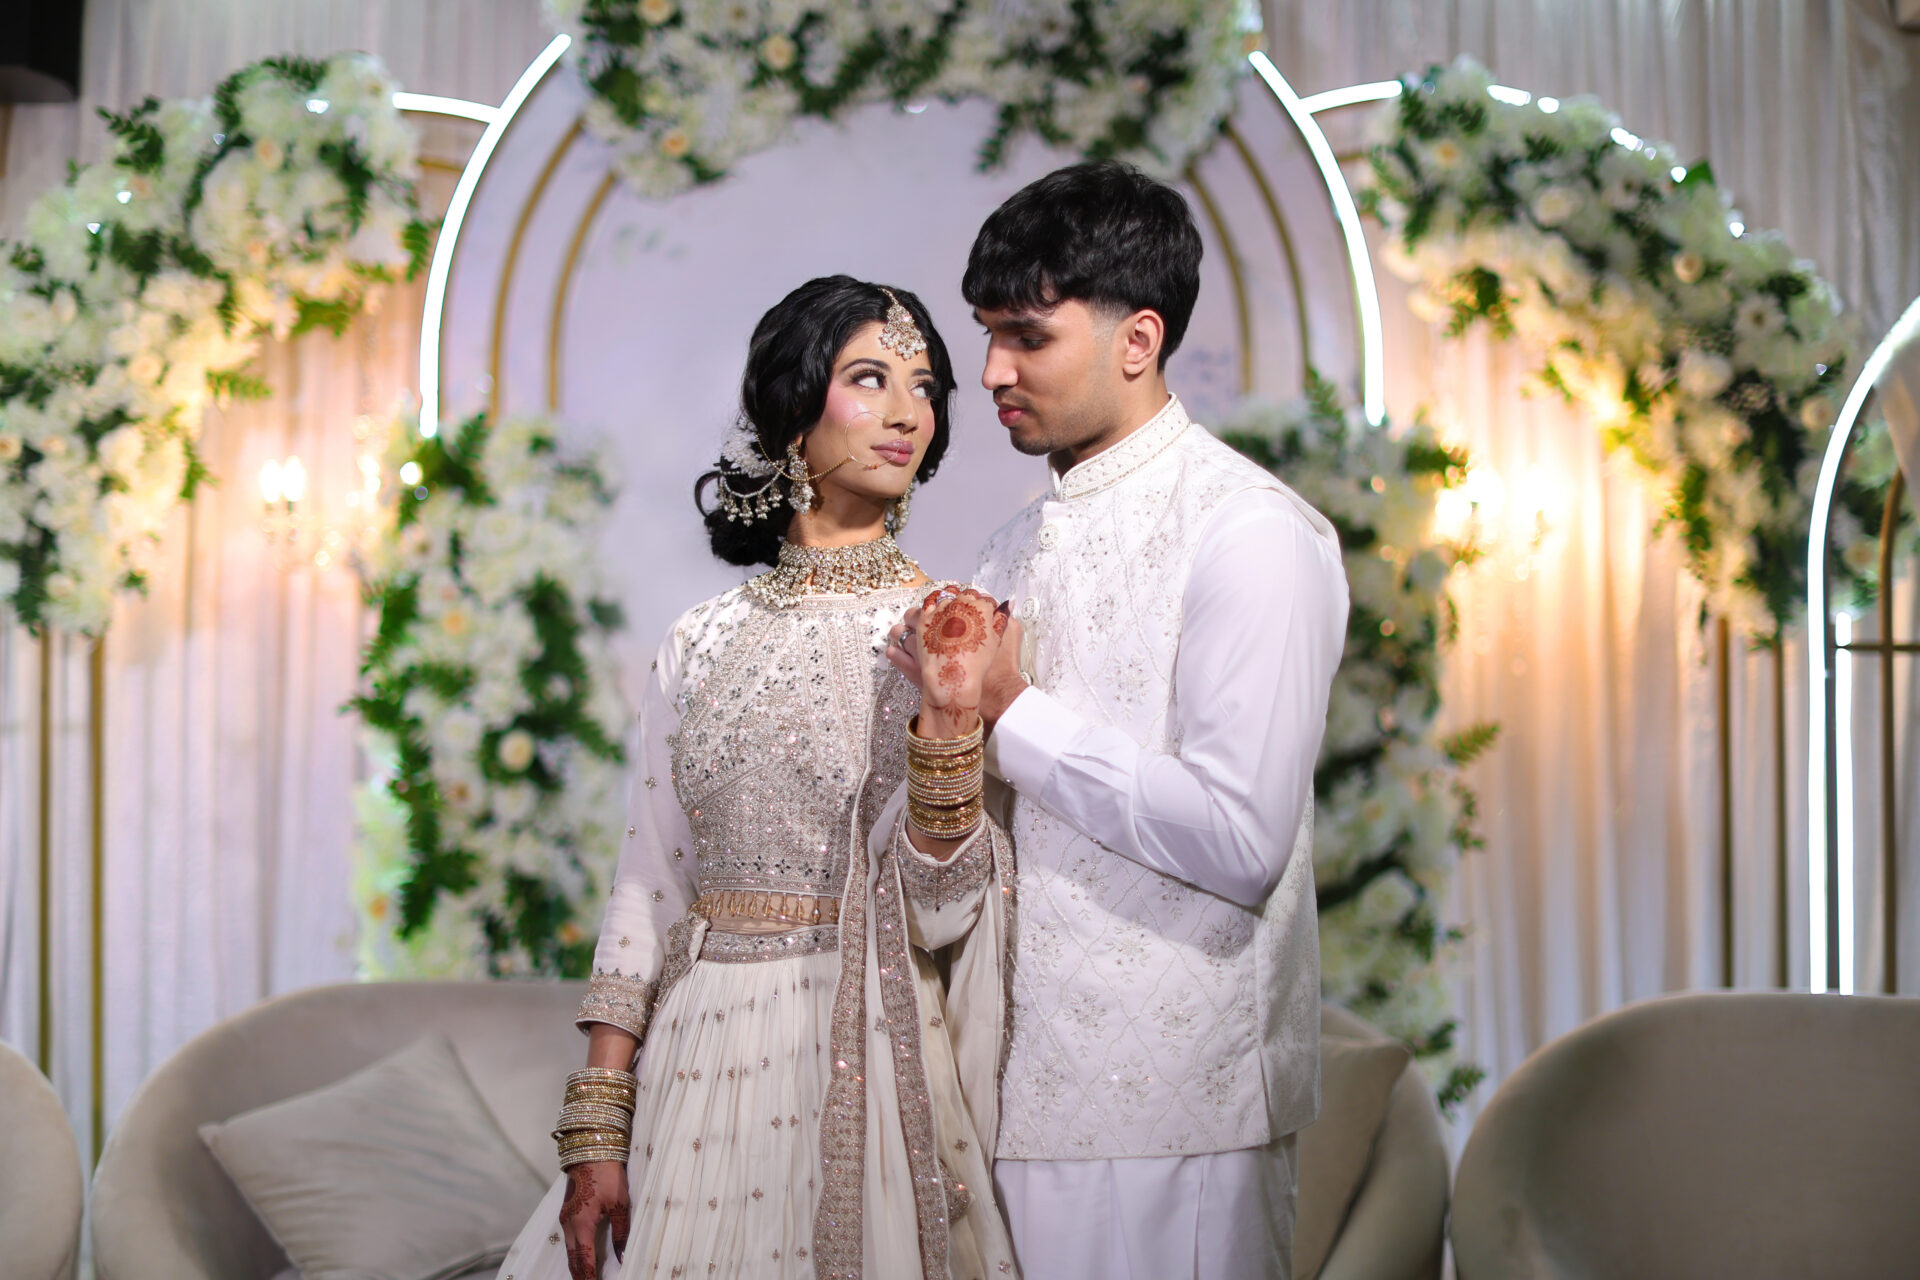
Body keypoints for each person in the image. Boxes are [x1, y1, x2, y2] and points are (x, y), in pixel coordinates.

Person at [498, 276, 1021, 1280]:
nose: (908, 410)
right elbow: (648, 884)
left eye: (924, 385)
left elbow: (954, 905)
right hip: (693, 1063)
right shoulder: (698, 641)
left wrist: (952, 716)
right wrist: (598, 1124)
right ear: (790, 408)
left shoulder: (947, 632)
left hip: (867, 1053)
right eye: (870, 378)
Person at [890, 161, 1349, 1279]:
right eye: (987, 334)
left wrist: (1013, 711)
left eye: (1028, 337)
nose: (991, 369)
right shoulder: (1007, 548)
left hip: (1179, 1112)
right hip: (1011, 1094)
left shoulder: (1251, 534)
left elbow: (1242, 839)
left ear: (1136, 340)